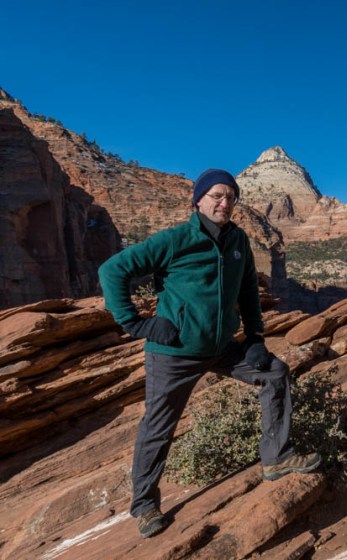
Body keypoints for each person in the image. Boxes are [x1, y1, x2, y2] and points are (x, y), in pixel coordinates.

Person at [99, 169, 321, 539]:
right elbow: (113, 270)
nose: (224, 203)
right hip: (174, 353)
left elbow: (249, 290)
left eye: (231, 197)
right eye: (217, 196)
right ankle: (144, 506)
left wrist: (254, 338)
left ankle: (277, 458)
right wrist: (137, 324)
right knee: (158, 426)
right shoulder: (176, 240)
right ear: (199, 200)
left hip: (221, 349)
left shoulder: (238, 241)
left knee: (275, 373)